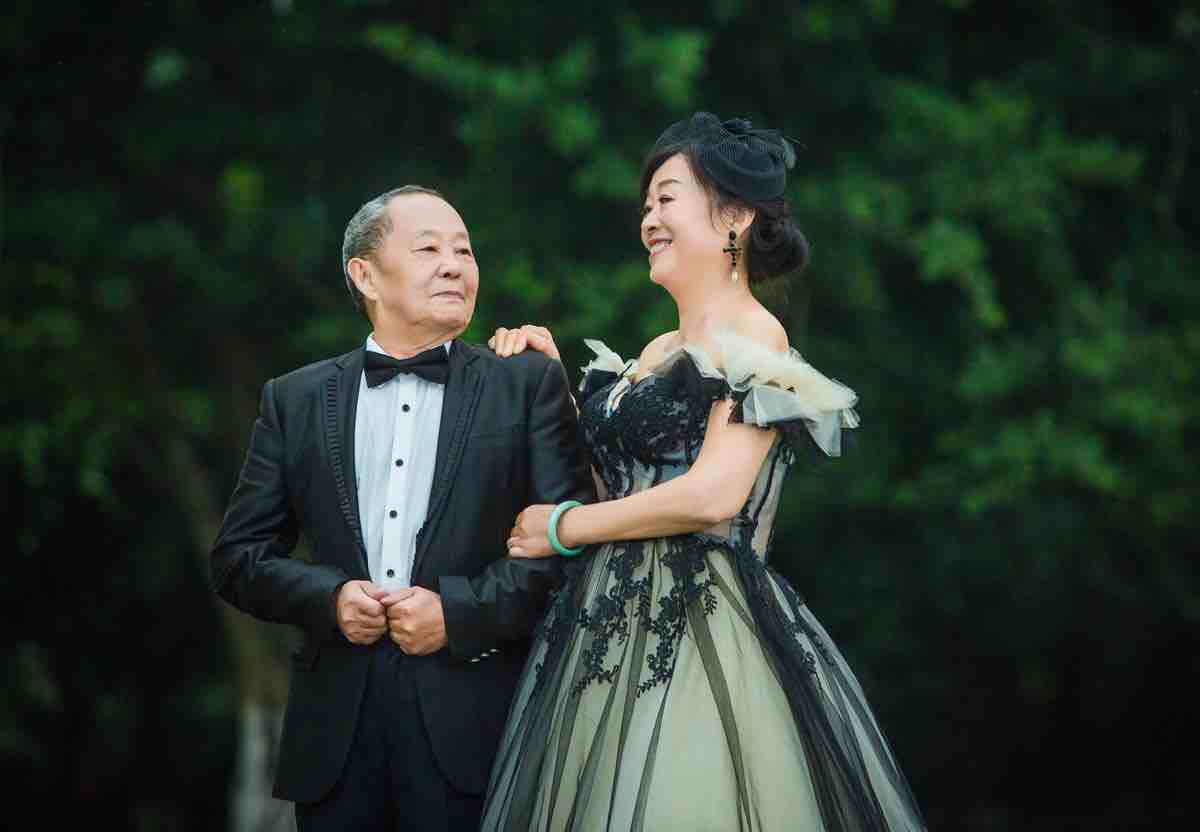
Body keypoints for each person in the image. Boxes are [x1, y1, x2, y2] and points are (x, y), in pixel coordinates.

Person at [479, 114, 927, 831]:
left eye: (667, 199)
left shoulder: (755, 335)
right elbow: (620, 490)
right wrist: (552, 388)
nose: (649, 220)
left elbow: (713, 496)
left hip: (702, 630)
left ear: (736, 217)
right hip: (602, 629)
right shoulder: (655, 351)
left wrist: (563, 527)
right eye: (646, 206)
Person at [209, 186, 593, 831]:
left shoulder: (527, 384)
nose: (454, 266)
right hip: (335, 736)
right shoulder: (295, 399)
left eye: (464, 251)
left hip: (477, 725)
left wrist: (459, 613)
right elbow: (237, 558)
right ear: (365, 275)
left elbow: (568, 545)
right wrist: (328, 598)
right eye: (428, 249)